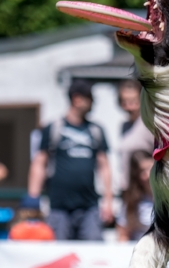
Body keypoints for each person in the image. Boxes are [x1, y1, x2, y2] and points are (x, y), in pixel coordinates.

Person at [27, 80, 114, 240]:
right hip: (59, 207)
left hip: (90, 207)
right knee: (61, 257)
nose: (93, 103)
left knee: (93, 257)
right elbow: (39, 163)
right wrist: (33, 198)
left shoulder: (96, 130)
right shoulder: (53, 128)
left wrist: (108, 202)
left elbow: (104, 167)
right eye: (90, 98)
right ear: (77, 99)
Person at [116, 79, 155, 192]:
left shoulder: (149, 124)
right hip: (129, 191)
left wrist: (144, 165)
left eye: (133, 101)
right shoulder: (124, 126)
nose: (129, 107)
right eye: (125, 102)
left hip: (145, 192)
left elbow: (164, 158)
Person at [118, 150, 155, 241]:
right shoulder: (131, 202)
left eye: (151, 168)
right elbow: (123, 235)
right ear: (136, 176)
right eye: (143, 171)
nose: (149, 174)